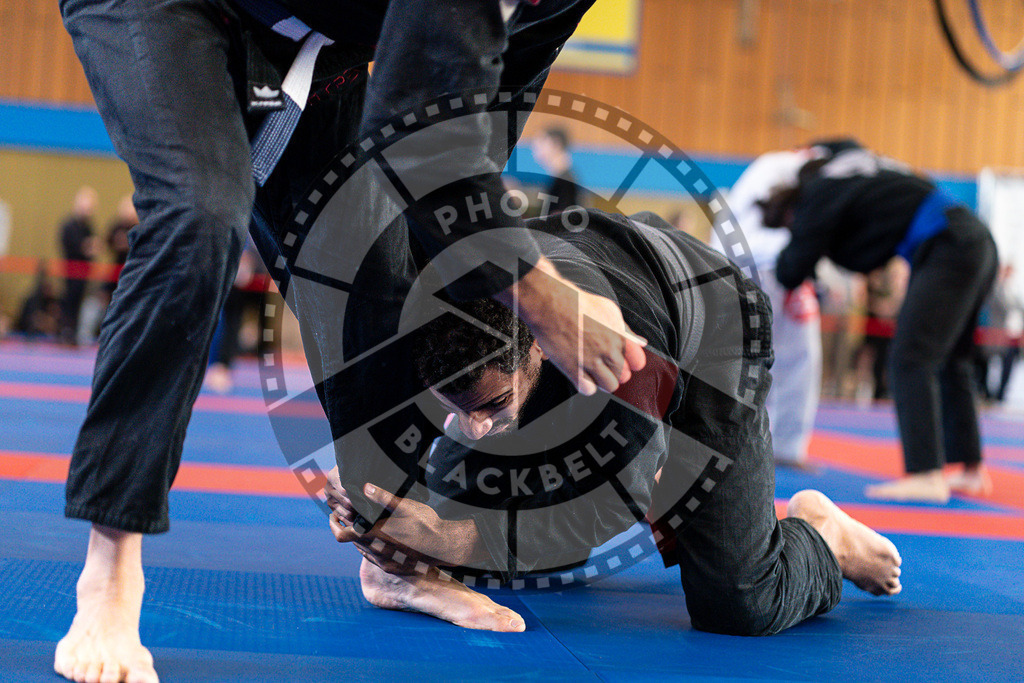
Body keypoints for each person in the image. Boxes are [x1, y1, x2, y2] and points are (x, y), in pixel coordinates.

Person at [55, 2, 646, 682]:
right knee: (198, 217)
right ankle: (111, 563)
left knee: (384, 264)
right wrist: (539, 294)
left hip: (309, 44)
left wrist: (486, 313)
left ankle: (389, 555)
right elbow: (418, 137)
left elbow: (472, 136)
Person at [327, 208, 902, 635]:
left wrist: (452, 537)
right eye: (457, 408)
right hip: (591, 284)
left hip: (712, 332)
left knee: (740, 603)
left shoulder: (622, 351)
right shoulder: (431, 313)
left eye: (490, 405)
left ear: (538, 353)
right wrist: (374, 491)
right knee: (474, 541)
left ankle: (822, 537)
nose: (474, 427)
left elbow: (606, 509)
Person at [762, 141, 999, 503]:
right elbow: (843, 143)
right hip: (974, 240)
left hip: (949, 243)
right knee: (954, 359)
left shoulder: (818, 194)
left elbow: (792, 266)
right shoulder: (849, 168)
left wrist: (783, 258)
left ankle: (926, 475)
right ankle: (972, 469)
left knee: (909, 356)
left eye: (790, 225)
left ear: (791, 209)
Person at [710, 148, 824, 468]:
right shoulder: (781, 170)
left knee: (796, 355)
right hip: (756, 267)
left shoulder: (788, 170)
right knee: (749, 358)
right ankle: (730, 442)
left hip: (772, 267)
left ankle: (783, 446)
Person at [57, 186, 98, 345]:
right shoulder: (69, 224)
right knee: (69, 301)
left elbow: (94, 244)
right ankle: (65, 331)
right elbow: (74, 245)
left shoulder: (88, 226)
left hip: (84, 272)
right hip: (71, 271)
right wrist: (86, 247)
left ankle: (74, 332)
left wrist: (90, 247)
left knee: (80, 302)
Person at [531, 126, 583, 213]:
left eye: (541, 143)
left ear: (556, 143)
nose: (535, 149)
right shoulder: (558, 179)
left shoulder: (565, 182)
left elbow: (560, 219)